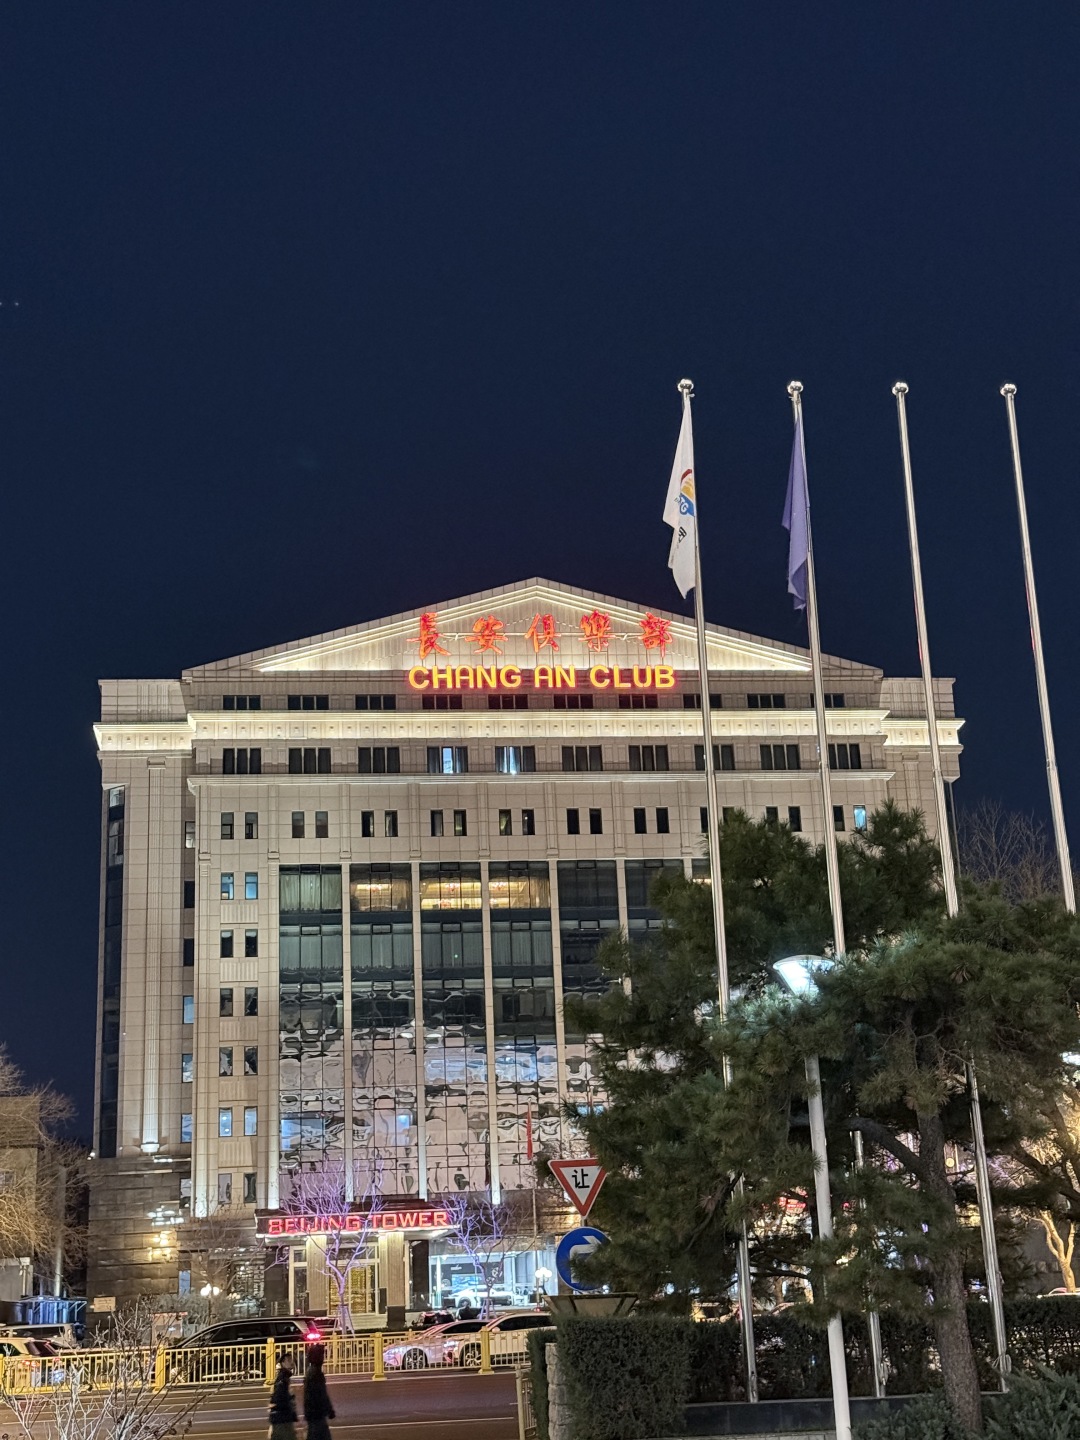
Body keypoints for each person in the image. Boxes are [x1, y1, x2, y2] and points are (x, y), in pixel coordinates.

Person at [303, 1343, 336, 1440]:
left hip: (315, 1414)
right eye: (321, 1355)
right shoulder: (315, 1373)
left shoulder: (313, 1372)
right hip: (316, 1415)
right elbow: (321, 1394)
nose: (323, 1358)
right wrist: (329, 1409)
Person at [267, 1352, 298, 1440]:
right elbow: (280, 1397)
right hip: (282, 1418)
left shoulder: (284, 1377)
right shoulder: (283, 1378)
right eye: (288, 1360)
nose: (292, 1362)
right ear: (282, 1363)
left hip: (281, 1418)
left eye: (291, 1359)